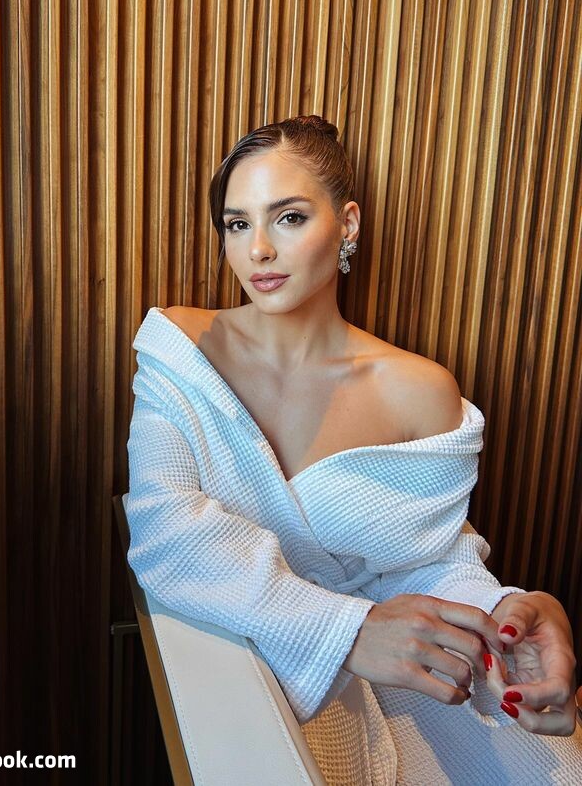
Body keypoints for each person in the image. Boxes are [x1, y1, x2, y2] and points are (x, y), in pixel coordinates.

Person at [125, 115, 582, 783]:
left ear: (347, 224)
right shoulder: (182, 352)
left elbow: (431, 563)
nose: (258, 250)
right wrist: (348, 629)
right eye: (237, 224)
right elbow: (165, 532)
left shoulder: (419, 390)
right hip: (261, 668)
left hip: (414, 678)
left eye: (288, 218)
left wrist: (507, 614)